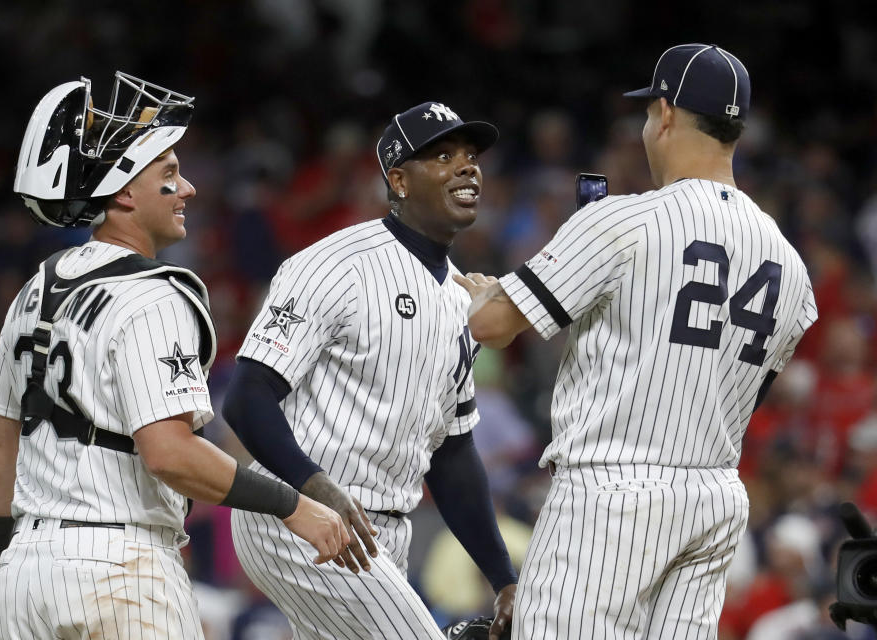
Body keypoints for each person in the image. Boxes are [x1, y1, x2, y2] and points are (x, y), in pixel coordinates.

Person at [0, 71, 348, 639]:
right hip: (119, 568)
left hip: (26, 574)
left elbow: (0, 446)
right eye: (169, 174)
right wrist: (293, 505)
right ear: (122, 193)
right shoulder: (153, 294)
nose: (187, 188)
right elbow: (169, 454)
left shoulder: (34, 289)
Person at [455, 44, 818, 639]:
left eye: (649, 114)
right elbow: (752, 390)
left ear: (667, 113)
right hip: (715, 498)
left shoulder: (622, 219)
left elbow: (491, 327)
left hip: (613, 493)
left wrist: (485, 294)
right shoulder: (790, 262)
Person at [223, 101, 518, 640]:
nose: (467, 166)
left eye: (471, 156)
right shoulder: (333, 264)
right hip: (296, 511)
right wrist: (314, 490)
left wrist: (503, 579)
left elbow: (451, 452)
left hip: (382, 532)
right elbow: (247, 396)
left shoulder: (462, 298)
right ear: (399, 181)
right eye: (444, 155)